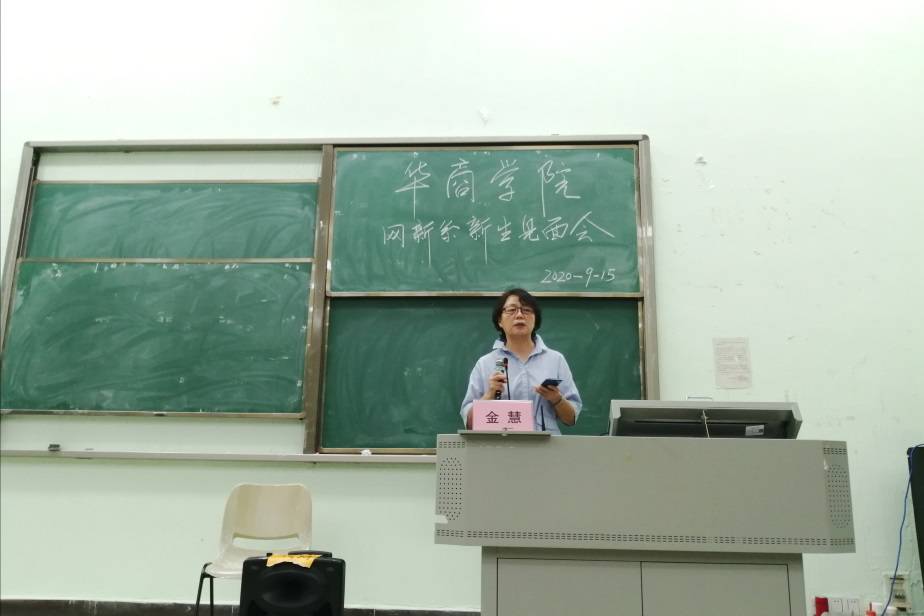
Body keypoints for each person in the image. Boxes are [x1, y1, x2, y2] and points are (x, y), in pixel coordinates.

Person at [460, 288, 582, 434]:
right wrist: (489, 395)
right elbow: (470, 423)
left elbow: (570, 419)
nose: (519, 315)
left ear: (535, 319)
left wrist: (557, 399)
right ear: (500, 321)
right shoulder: (485, 364)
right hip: (501, 444)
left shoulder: (555, 360)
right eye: (511, 310)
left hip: (545, 445)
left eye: (526, 310)